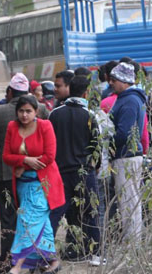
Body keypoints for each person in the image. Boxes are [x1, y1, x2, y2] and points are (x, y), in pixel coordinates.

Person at [0, 73, 49, 272]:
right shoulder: (42, 109)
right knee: (34, 217)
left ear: (10, 92)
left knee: (9, 219)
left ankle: (6, 262)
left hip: (6, 175)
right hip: (33, 174)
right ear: (28, 92)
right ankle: (38, 262)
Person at [2, 96, 64, 274]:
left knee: (27, 220)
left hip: (42, 184)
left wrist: (23, 165)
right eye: (21, 111)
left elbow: (49, 156)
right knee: (41, 223)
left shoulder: (45, 126)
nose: (24, 115)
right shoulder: (12, 127)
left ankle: (18, 265)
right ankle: (51, 261)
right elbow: (6, 156)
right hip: (22, 184)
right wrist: (24, 160)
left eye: (28, 111)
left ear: (36, 112)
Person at [47, 75, 102, 265]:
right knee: (90, 212)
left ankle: (46, 252)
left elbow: (49, 145)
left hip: (60, 173)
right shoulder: (90, 115)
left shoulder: (55, 113)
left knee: (55, 213)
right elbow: (97, 147)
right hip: (84, 172)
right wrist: (96, 167)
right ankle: (95, 255)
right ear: (86, 92)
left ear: (70, 89)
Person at [107, 63, 146, 244]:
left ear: (124, 81)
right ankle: (132, 240)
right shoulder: (125, 98)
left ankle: (132, 243)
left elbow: (125, 133)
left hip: (126, 157)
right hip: (127, 156)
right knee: (129, 200)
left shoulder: (129, 100)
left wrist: (105, 140)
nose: (111, 83)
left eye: (114, 80)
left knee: (129, 201)